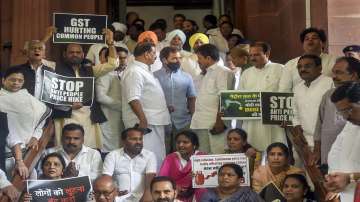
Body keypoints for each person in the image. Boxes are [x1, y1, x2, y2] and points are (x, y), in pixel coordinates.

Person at [53, 29, 119, 149]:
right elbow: (37, 59)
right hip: (65, 117)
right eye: (71, 52)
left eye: (78, 52)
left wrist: (110, 43)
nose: (75, 54)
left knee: (88, 151)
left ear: (83, 55)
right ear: (64, 54)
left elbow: (113, 64)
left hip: (87, 118)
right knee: (66, 150)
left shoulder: (89, 70)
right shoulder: (55, 68)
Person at [121, 42, 170, 169]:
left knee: (157, 157)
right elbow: (133, 98)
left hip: (153, 121)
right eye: (154, 53)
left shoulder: (144, 70)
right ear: (146, 54)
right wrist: (143, 120)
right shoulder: (134, 71)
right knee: (146, 159)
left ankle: (156, 186)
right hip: (144, 124)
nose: (156, 56)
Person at [0, 67, 51, 180]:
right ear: (3, 80)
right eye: (12, 79)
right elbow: (7, 129)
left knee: (28, 191)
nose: (16, 83)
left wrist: (35, 136)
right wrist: (19, 160)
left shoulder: (27, 97)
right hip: (5, 153)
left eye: (20, 80)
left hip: (28, 151)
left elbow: (42, 117)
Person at [239, 42, 286, 151]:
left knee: (275, 151)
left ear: (267, 54)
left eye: (256, 55)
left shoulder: (280, 69)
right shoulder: (246, 73)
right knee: (252, 152)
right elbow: (239, 96)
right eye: (251, 55)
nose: (253, 58)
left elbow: (286, 93)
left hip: (273, 121)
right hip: (251, 121)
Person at [312, 57, 360, 165]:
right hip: (329, 154)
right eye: (333, 73)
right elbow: (319, 125)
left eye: (339, 73)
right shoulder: (328, 95)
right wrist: (317, 149)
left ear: (354, 75)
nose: (333, 77)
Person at [190, 44, 234, 154]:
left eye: (200, 58)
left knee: (218, 156)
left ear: (208, 58)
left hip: (214, 124)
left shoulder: (222, 71)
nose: (198, 61)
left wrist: (220, 121)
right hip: (200, 123)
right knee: (204, 159)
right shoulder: (205, 74)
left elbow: (224, 98)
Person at [154, 47, 196, 153]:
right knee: (163, 151)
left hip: (183, 121)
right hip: (161, 121)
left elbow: (191, 98)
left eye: (179, 58)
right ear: (164, 60)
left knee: (183, 152)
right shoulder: (154, 76)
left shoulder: (187, 77)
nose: (178, 61)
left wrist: (193, 117)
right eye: (174, 58)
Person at [325, 82, 360, 201]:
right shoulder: (351, 124)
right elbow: (335, 154)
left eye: (349, 110)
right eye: (341, 112)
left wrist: (350, 178)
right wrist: (334, 184)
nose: (346, 117)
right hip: (346, 194)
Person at [102, 127, 157, 202]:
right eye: (134, 139)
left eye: (140, 139)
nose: (138, 142)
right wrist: (113, 192)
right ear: (123, 141)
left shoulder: (149, 155)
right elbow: (106, 178)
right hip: (119, 198)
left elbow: (151, 177)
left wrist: (147, 194)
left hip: (142, 197)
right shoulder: (112, 156)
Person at [292, 55, 334, 151]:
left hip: (325, 142)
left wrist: (320, 142)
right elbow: (294, 113)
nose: (302, 69)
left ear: (319, 68)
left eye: (307, 66)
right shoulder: (297, 88)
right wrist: (298, 132)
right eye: (299, 67)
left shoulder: (330, 84)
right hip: (303, 141)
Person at [38, 123, 103, 181]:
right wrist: (62, 176)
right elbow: (40, 176)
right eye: (67, 138)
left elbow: (98, 179)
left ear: (83, 140)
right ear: (61, 139)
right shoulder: (49, 152)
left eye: (76, 138)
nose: (71, 142)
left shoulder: (93, 154)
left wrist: (77, 176)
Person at [279, 27, 337, 92]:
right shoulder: (290, 64)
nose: (310, 40)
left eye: (314, 38)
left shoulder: (335, 61)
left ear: (323, 43)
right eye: (306, 39)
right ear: (303, 44)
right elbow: (284, 91)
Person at [96, 47, 128, 153]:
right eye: (119, 57)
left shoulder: (126, 74)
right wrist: (122, 106)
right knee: (110, 150)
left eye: (124, 58)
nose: (122, 61)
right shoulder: (105, 73)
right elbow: (100, 96)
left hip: (122, 118)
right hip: (109, 118)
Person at [159, 131, 206, 202]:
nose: (181, 145)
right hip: (175, 193)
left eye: (185, 142)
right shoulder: (170, 158)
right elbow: (162, 179)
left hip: (197, 194)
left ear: (194, 145)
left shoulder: (202, 157)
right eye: (178, 142)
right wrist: (174, 186)